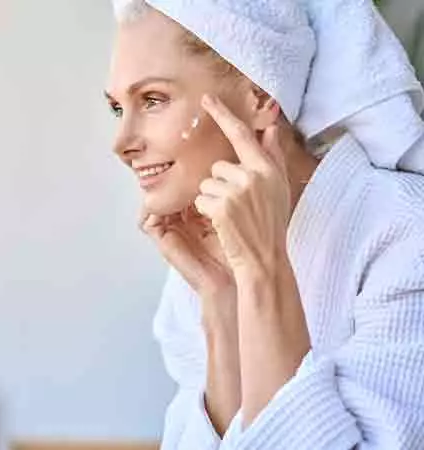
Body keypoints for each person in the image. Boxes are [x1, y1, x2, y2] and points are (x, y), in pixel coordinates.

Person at [105, 0, 424, 448]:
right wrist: (220, 304)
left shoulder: (408, 234)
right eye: (117, 108)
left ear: (261, 96)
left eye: (153, 100)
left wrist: (265, 269)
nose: (120, 143)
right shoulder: (199, 273)